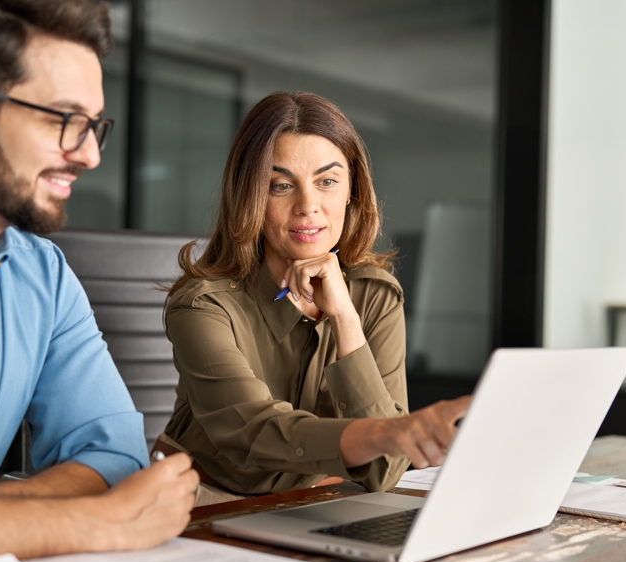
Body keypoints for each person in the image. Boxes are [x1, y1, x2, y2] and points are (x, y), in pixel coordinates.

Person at [0, 0, 198, 562]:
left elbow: (115, 456)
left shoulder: (44, 276)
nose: (90, 154)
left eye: (94, 124)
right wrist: (100, 521)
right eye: (63, 120)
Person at [157, 92, 471, 506]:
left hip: (320, 503)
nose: (309, 207)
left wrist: (344, 317)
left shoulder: (374, 295)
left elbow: (385, 470)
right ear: (250, 196)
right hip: (205, 504)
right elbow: (255, 433)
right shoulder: (202, 308)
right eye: (281, 185)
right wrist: (385, 434)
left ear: (351, 190)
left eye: (327, 181)